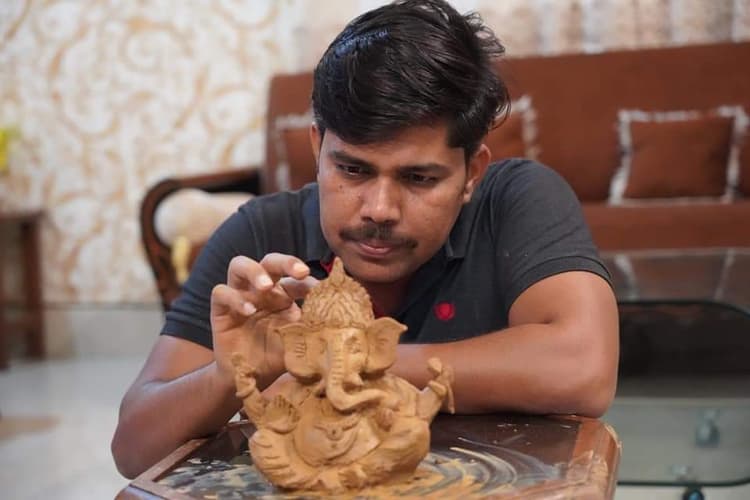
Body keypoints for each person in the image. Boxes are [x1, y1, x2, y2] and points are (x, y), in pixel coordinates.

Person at [112, 0, 618, 479]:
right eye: (353, 170)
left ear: (471, 173)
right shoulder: (260, 233)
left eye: (418, 178)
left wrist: (337, 357)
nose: (380, 209)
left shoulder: (515, 200)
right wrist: (231, 375)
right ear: (318, 147)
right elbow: (133, 449)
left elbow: (583, 369)